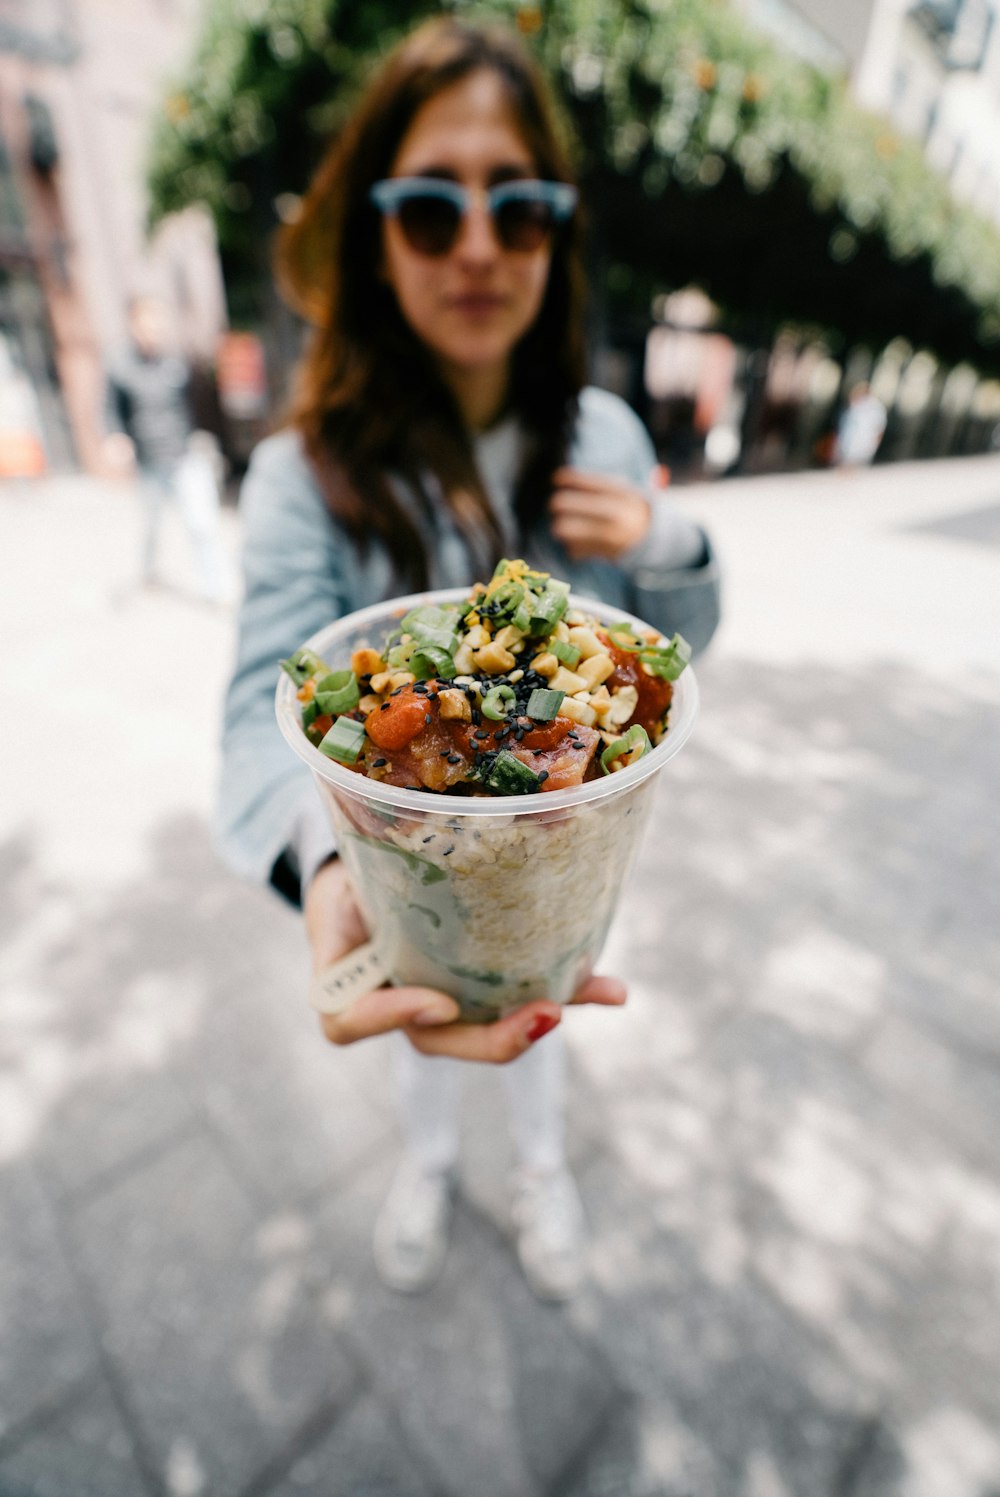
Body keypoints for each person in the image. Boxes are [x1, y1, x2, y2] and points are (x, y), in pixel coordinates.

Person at [217, 17, 720, 1300]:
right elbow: (261, 704)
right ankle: (429, 1167)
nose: (481, 245)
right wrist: (331, 861)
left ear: (558, 233)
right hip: (404, 874)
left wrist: (666, 538)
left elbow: (670, 662)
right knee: (425, 1018)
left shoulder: (602, 435)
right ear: (376, 240)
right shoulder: (302, 475)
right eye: (432, 210)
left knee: (542, 1016)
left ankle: (540, 1170)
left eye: (523, 209)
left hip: (567, 850)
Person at [104, 295, 232, 602]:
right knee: (151, 524)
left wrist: (206, 438)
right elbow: (110, 409)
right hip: (149, 460)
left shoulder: (177, 362)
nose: (151, 330)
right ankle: (149, 573)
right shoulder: (121, 366)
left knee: (202, 523)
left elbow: (197, 403)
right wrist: (116, 438)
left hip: (184, 455)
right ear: (133, 326)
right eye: (145, 324)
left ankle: (214, 588)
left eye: (155, 323)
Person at [833, 381, 887, 468]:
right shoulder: (856, 405)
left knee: (856, 457)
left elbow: (879, 425)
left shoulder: (874, 407)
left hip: (863, 439)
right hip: (852, 438)